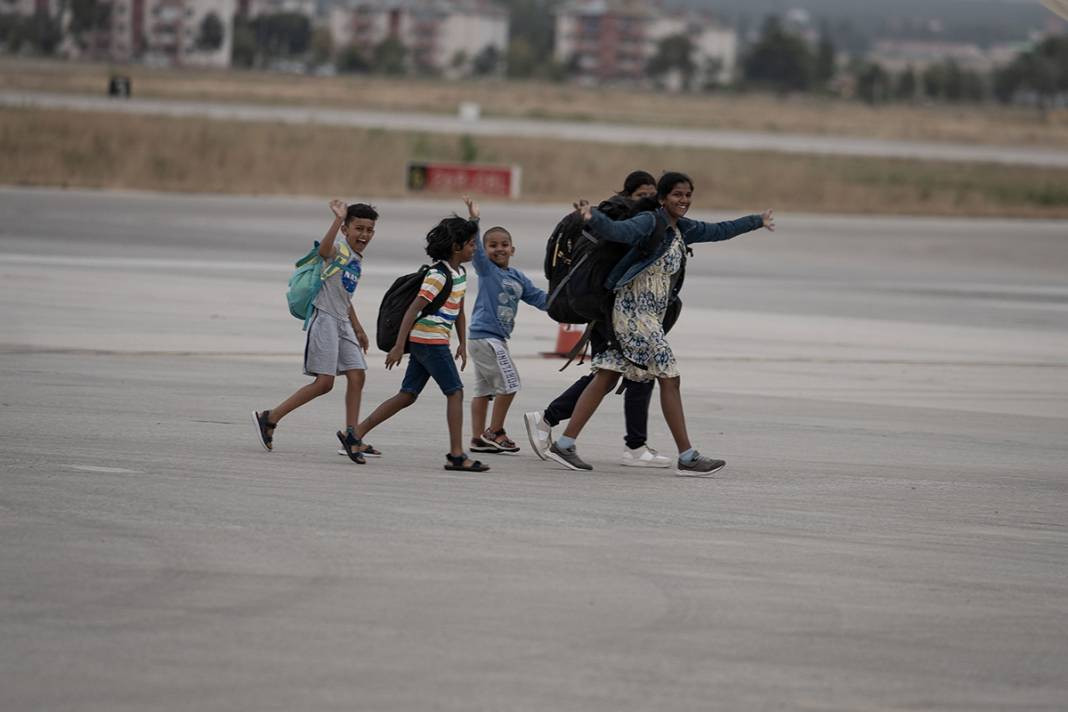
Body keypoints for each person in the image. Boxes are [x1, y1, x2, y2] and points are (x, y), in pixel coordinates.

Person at [543, 171, 775, 476]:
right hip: (632, 314)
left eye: (688, 195)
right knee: (670, 377)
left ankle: (564, 444)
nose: (684, 200)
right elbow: (617, 231)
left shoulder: (682, 229)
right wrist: (592, 218)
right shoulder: (650, 222)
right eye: (677, 195)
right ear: (663, 198)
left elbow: (719, 230)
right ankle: (688, 457)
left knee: (607, 375)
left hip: (647, 317)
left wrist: (756, 220)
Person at [524, 170, 674, 468]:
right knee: (624, 373)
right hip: (611, 311)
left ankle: (631, 444)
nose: (647, 200)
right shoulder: (624, 217)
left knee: (615, 375)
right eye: (642, 194)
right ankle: (630, 445)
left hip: (614, 310)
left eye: (651, 195)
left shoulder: (634, 216)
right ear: (629, 193)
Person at [351, 211, 491, 472]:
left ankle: (355, 434)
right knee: (455, 392)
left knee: (407, 395)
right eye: (472, 244)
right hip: (429, 341)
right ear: (456, 246)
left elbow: (458, 307)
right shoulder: (438, 275)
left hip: (436, 340)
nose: (475, 249)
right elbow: (414, 309)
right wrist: (397, 346)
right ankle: (457, 455)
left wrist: (461, 341)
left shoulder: (458, 272)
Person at [253, 200, 379, 464]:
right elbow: (323, 251)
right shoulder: (340, 249)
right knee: (324, 383)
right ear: (346, 229)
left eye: (369, 230)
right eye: (359, 228)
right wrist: (336, 220)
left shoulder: (356, 258)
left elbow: (344, 295)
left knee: (357, 375)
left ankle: (352, 435)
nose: (364, 235)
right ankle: (270, 417)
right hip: (324, 321)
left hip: (342, 321)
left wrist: (358, 327)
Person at [461, 196, 549, 455]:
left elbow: (542, 300)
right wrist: (474, 220)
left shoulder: (518, 278)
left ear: (513, 249)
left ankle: (477, 439)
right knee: (510, 384)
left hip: (491, 340)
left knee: (483, 389)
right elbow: (475, 247)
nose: (499, 249)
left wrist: (568, 304)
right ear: (485, 250)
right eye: (492, 245)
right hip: (485, 337)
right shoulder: (487, 271)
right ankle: (495, 431)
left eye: (504, 245)